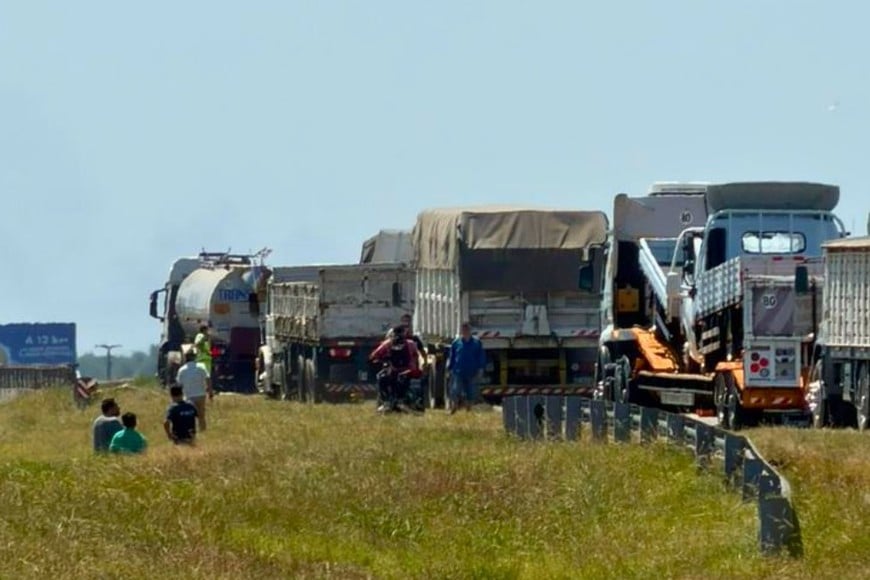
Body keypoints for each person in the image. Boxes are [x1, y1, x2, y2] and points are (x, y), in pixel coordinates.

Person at [370, 325, 421, 413]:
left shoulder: (410, 344)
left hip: (406, 369)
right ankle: (387, 401)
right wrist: (381, 360)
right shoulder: (389, 344)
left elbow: (416, 356)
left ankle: (399, 400)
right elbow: (374, 355)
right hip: (394, 369)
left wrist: (414, 367)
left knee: (385, 378)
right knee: (382, 377)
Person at [447, 322, 487, 414]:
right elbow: (452, 356)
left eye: (467, 329)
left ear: (470, 330)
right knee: (455, 390)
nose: (465, 331)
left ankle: (469, 409)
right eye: (463, 329)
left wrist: (481, 368)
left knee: (471, 391)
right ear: (461, 331)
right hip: (458, 371)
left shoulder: (477, 343)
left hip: (472, 371)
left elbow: (481, 356)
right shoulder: (456, 343)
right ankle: (454, 407)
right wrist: (449, 368)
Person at [176, 349, 213, 431]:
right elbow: (208, 379)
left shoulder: (181, 370)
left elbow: (179, 385)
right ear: (194, 357)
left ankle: (191, 431)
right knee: (201, 416)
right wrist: (210, 392)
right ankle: (202, 430)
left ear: (185, 358)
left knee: (189, 416)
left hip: (188, 397)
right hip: (201, 395)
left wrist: (178, 399)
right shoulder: (202, 366)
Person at [400, 313, 428, 411]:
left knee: (417, 386)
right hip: (398, 367)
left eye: (408, 325)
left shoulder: (415, 339)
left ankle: (416, 403)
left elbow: (422, 352)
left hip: (412, 368)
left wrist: (425, 362)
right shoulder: (396, 338)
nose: (406, 328)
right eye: (404, 325)